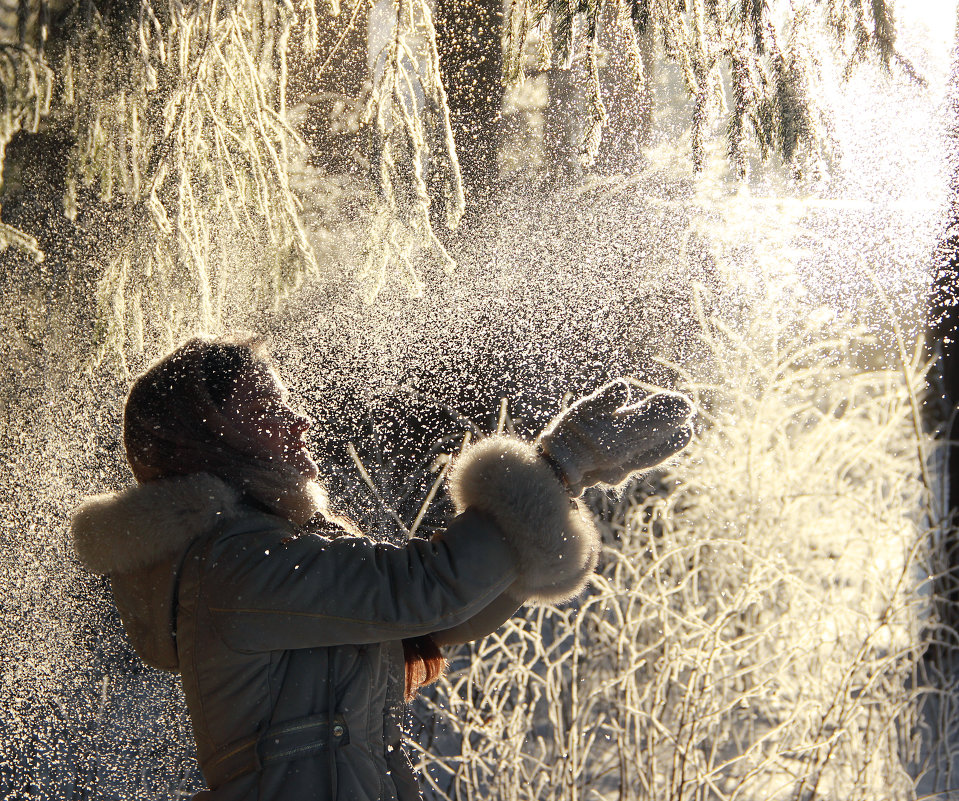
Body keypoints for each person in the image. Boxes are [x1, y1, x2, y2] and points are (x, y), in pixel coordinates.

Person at [71, 333, 693, 801]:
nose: (301, 423)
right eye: (269, 409)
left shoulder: (257, 554)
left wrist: (564, 486)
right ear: (212, 443)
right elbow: (421, 592)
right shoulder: (233, 564)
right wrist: (560, 462)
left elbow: (434, 621)